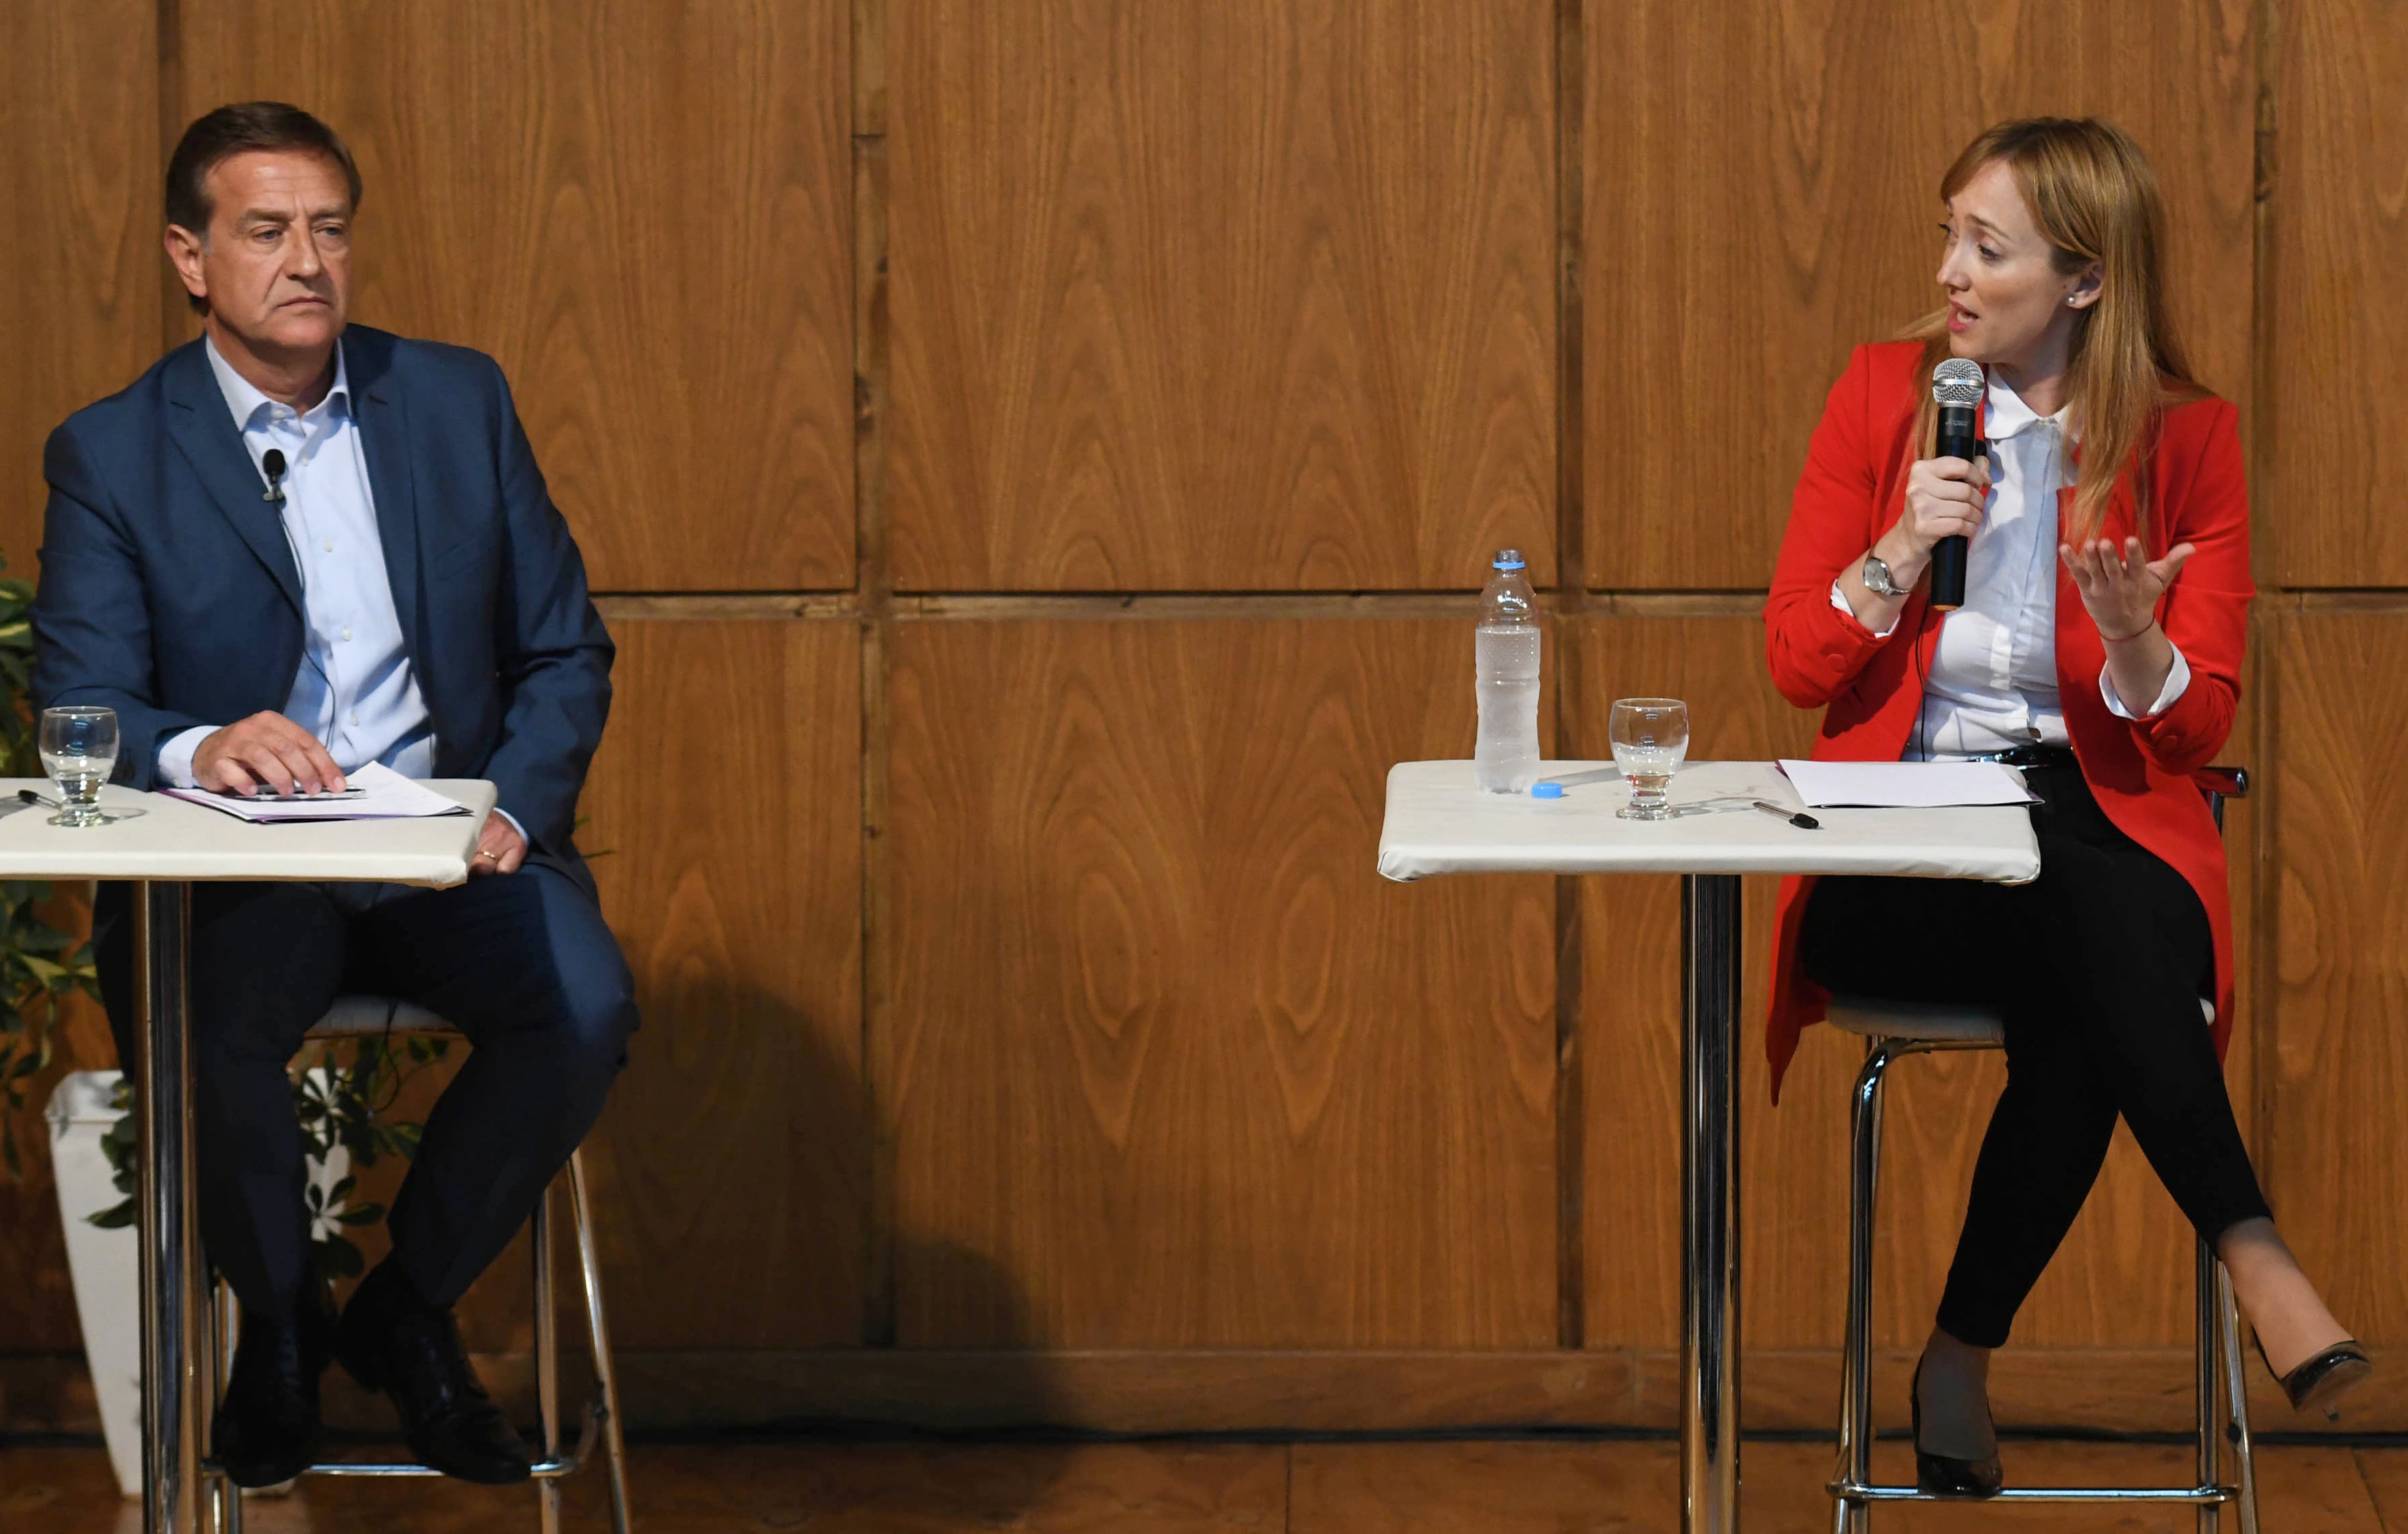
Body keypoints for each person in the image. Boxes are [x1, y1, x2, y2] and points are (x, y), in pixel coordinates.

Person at [31, 102, 637, 1488]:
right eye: (265, 231)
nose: (307, 259)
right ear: (191, 258)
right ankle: (283, 1321)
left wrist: (513, 809)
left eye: (329, 228)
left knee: (587, 1005)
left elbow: (562, 651)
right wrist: (201, 745)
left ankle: (402, 1310)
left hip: (453, 840)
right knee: (203, 1013)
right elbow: (90, 703)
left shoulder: (456, 399)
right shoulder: (113, 452)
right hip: (254, 863)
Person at [1761, 117, 2367, 1497]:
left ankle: (1960, 1355)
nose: (1949, 271)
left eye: (1987, 246)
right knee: (2107, 964)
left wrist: (2138, 645)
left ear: (2085, 280)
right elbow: (1796, 659)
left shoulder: (2184, 441)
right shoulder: (1880, 397)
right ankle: (2249, 1253)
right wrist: (1900, 544)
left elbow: (2198, 717)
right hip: (1902, 841)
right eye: (1948, 234)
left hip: (2083, 830)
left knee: (2083, 957)